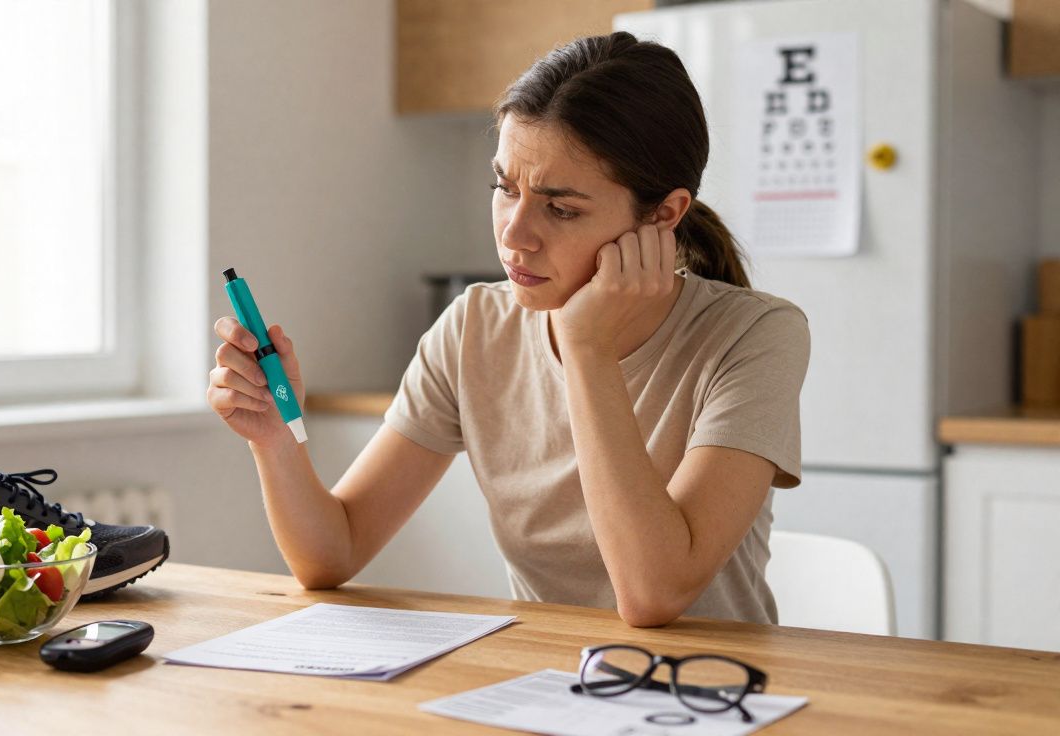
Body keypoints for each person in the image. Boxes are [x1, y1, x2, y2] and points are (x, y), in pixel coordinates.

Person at [207, 31, 809, 627]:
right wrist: (274, 441)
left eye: (562, 208)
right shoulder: (473, 328)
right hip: (540, 690)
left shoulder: (754, 336)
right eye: (504, 187)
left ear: (664, 215)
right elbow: (330, 554)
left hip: (710, 699)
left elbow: (654, 595)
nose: (513, 233)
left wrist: (587, 348)